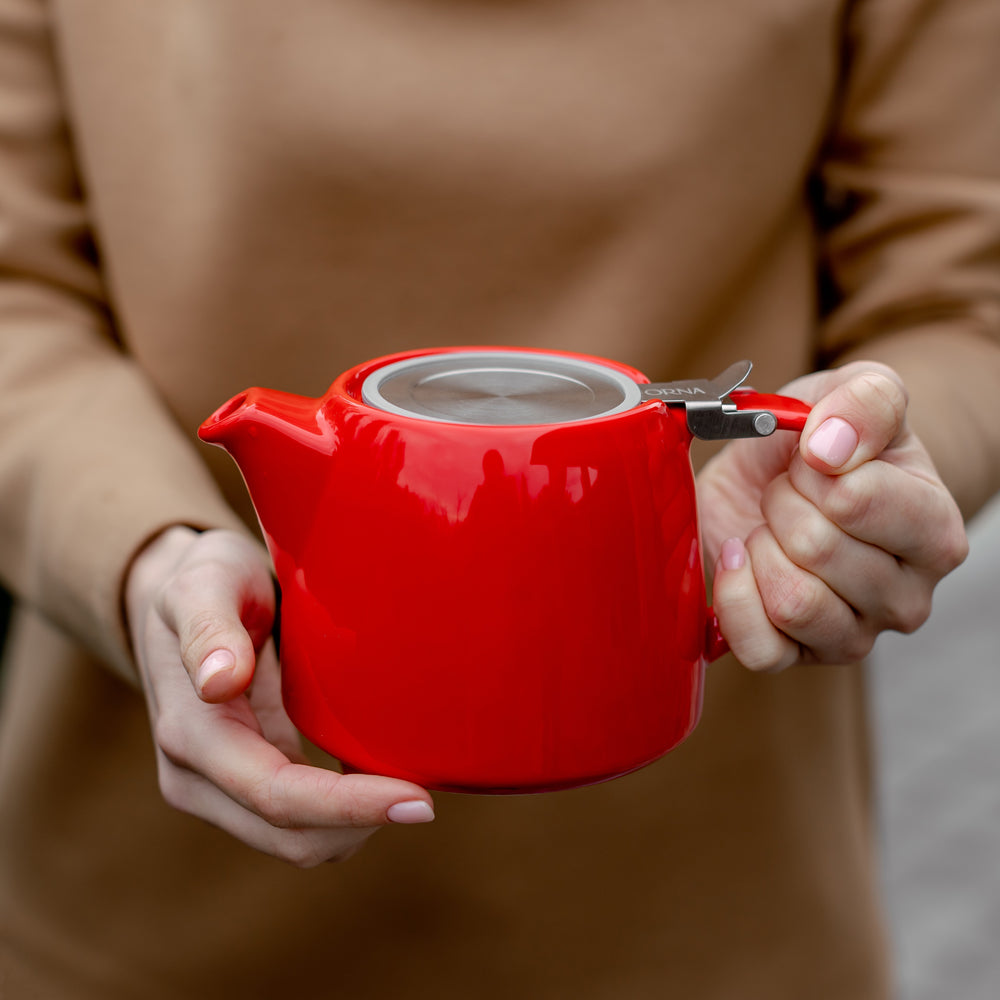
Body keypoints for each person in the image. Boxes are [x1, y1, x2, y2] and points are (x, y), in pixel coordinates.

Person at [0, 1, 996, 997]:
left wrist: (847, 484)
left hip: (701, 922)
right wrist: (143, 552)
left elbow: (964, 298)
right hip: (142, 926)